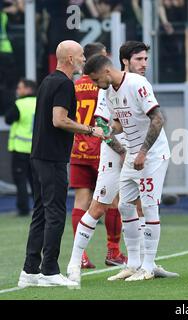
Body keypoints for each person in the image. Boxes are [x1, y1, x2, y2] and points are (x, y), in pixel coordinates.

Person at [68, 53, 178, 284]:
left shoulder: (138, 84)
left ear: (107, 72)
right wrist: (108, 132)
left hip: (152, 155)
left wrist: (143, 152)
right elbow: (118, 123)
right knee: (126, 206)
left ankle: (148, 265)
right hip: (132, 155)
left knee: (148, 207)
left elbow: (157, 119)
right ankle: (133, 263)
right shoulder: (108, 91)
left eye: (97, 80)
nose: (96, 85)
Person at [17, 40, 104, 288]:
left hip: (38, 156)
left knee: (41, 212)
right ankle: (49, 270)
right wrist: (90, 130)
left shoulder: (47, 80)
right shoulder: (65, 84)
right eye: (80, 57)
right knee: (55, 213)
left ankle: (30, 270)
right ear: (69, 59)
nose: (84, 60)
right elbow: (59, 120)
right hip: (52, 158)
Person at [69, 42, 126, 269]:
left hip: (78, 149)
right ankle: (113, 250)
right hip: (102, 147)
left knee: (81, 201)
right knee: (112, 201)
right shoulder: (105, 85)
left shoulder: (74, 85)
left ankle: (80, 256)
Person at [5, 79, 37, 217]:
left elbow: (8, 119)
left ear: (28, 89)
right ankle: (39, 208)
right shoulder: (40, 103)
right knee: (35, 181)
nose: (18, 90)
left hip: (21, 149)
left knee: (21, 181)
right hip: (36, 150)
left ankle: (23, 209)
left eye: (20, 88)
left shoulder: (20, 104)